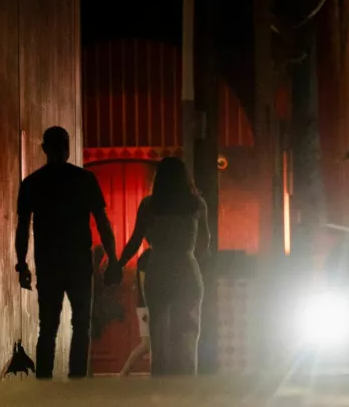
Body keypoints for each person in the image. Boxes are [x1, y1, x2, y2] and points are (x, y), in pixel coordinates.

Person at [16, 126, 119, 380]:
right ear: (68, 147)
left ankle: (43, 381)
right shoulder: (84, 180)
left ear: (44, 149)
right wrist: (114, 258)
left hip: (49, 264)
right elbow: (102, 223)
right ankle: (77, 380)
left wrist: (22, 264)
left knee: (48, 327)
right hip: (79, 264)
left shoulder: (32, 183)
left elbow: (22, 228)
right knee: (81, 324)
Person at [106, 157, 209, 376]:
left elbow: (135, 241)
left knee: (158, 335)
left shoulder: (149, 205)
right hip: (186, 267)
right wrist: (190, 256)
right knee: (188, 332)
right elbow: (204, 241)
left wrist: (118, 264)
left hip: (158, 268)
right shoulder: (196, 205)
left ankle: (160, 389)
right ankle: (188, 388)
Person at [119, 248, 152, 377]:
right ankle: (123, 372)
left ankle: (154, 375)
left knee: (151, 344)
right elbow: (143, 284)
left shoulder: (149, 256)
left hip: (147, 305)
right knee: (146, 344)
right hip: (145, 306)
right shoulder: (146, 257)